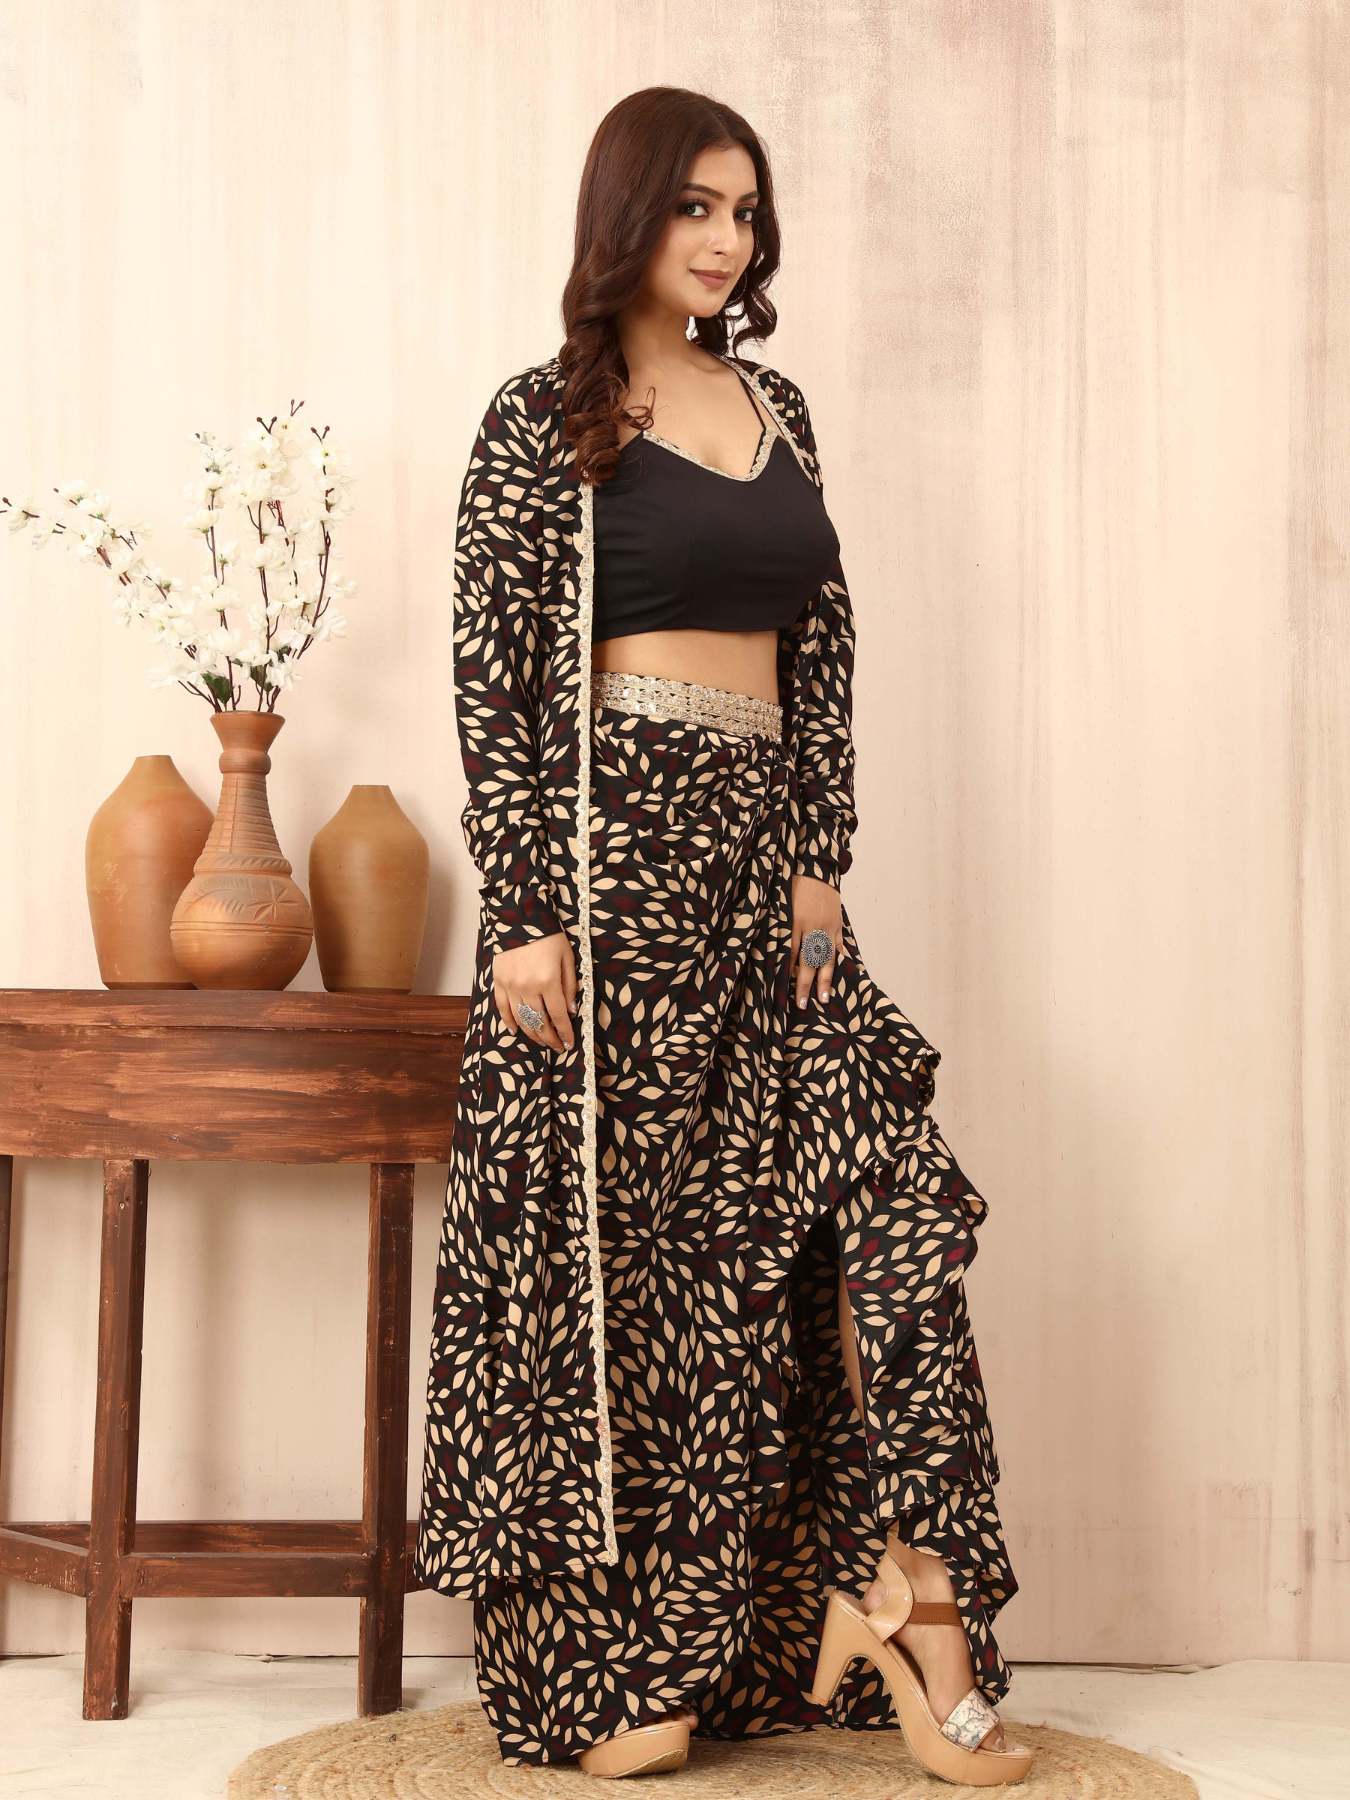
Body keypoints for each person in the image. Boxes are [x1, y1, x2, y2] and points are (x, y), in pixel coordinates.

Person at [414, 85, 1031, 1786]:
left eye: (744, 211)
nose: (724, 238)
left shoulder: (778, 408)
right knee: (636, 1274)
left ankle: (909, 1597)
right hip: (609, 878)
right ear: (627, 215)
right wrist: (523, 910)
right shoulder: (543, 417)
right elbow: (493, 675)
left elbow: (822, 650)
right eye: (694, 205)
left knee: (882, 1207)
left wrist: (820, 856)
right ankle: (632, 1658)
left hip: (768, 886)